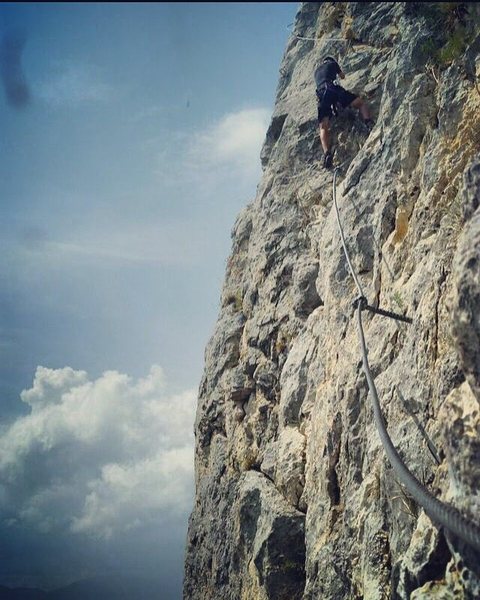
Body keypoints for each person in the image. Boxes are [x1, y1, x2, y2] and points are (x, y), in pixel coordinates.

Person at [314, 56, 373, 169]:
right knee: (360, 103)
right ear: (330, 60)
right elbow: (342, 76)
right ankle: (368, 122)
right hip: (333, 88)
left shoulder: (316, 72)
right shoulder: (332, 64)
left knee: (323, 127)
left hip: (322, 94)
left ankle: (327, 153)